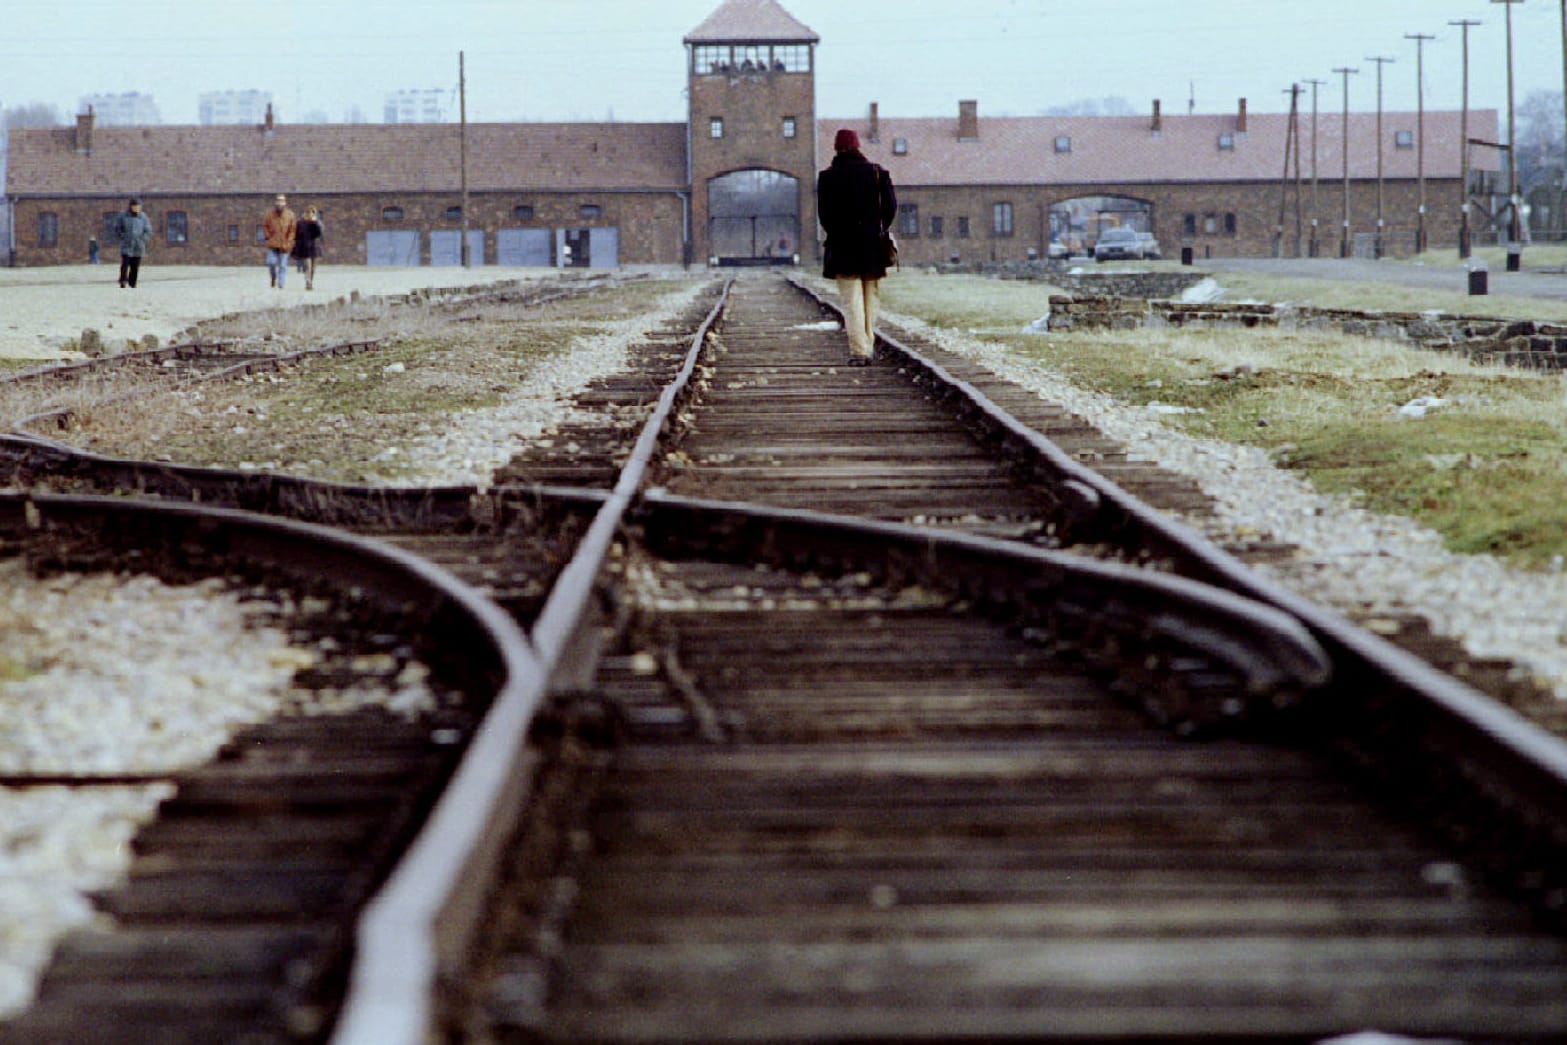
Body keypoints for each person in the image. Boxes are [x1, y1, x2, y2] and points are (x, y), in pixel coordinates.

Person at [816, 128, 896, 366]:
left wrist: (838, 232)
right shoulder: (877, 173)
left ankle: (859, 351)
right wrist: (877, 229)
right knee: (870, 296)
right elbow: (890, 208)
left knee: (851, 300)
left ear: (836, 148)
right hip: (872, 245)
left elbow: (825, 215)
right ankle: (868, 343)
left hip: (842, 246)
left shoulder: (827, 177)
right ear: (859, 146)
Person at [112, 198, 152, 288]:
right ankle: (123, 280)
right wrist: (123, 237)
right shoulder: (123, 216)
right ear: (131, 207)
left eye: (138, 206)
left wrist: (143, 239)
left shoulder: (143, 217)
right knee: (125, 264)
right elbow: (117, 228)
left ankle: (132, 282)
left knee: (135, 265)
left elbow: (148, 230)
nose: (137, 208)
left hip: (138, 245)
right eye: (135, 206)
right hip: (127, 244)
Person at [262, 193, 297, 288]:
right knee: (271, 262)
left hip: (284, 245)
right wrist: (268, 236)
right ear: (275, 202)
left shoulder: (290, 215)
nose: (280, 203)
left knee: (283, 265)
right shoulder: (270, 214)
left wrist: (289, 240)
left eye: (282, 201)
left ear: (285, 203)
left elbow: (292, 229)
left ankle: (281, 284)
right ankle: (273, 277)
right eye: (278, 201)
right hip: (273, 244)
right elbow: (265, 225)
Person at [293, 206, 324, 290]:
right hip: (305, 248)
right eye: (308, 212)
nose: (310, 214)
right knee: (308, 267)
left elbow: (318, 234)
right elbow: (297, 235)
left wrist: (315, 223)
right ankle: (308, 282)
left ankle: (310, 281)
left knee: (313, 268)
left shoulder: (317, 223)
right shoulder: (301, 223)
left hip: (315, 248)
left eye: (312, 212)